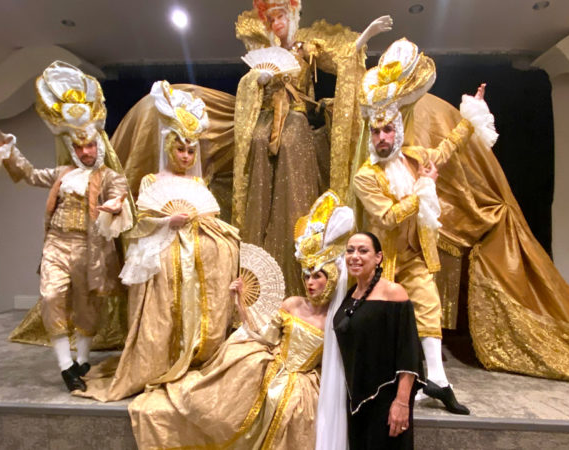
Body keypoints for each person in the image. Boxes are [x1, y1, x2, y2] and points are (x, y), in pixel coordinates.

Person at [128, 190, 353, 449]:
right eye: (306, 277)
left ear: (332, 277)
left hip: (301, 385)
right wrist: (240, 303)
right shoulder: (292, 304)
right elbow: (263, 335)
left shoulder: (337, 320)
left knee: (287, 406)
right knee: (216, 405)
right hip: (268, 365)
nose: (310, 283)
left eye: (317, 276)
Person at [351, 38, 499, 414]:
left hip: (416, 254)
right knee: (388, 328)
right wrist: (424, 189)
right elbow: (385, 216)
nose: (382, 138)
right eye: (376, 132)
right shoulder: (365, 177)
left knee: (429, 307)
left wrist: (471, 118)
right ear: (370, 135)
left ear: (398, 130)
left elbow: (446, 150)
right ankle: (390, 385)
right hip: (383, 265)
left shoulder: (414, 157)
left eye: (388, 131)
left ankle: (438, 380)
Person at [75, 81, 241, 401]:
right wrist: (169, 221)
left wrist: (209, 232)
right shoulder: (153, 181)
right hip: (164, 252)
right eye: (180, 149)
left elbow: (210, 217)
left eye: (191, 149)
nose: (186, 155)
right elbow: (140, 225)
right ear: (169, 148)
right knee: (163, 282)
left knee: (222, 252)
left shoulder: (198, 182)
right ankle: (164, 355)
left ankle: (198, 351)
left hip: (196, 256)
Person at [0, 61, 133, 392]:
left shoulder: (109, 176)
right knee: (51, 296)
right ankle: (66, 367)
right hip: (57, 244)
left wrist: (116, 205)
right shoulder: (63, 174)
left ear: (97, 144)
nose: (85, 151)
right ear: (72, 146)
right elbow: (31, 175)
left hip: (90, 248)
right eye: (79, 146)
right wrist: (9, 154)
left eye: (90, 145)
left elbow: (120, 194)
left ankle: (82, 360)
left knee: (86, 306)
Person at [233, 0, 392, 296]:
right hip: (266, 121)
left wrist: (365, 38)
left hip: (294, 119)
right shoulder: (261, 50)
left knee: (293, 162)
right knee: (255, 144)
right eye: (271, 18)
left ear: (292, 15)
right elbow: (247, 83)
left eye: (281, 16)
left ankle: (300, 278)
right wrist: (258, 78)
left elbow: (344, 55)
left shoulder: (307, 46)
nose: (276, 23)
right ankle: (255, 280)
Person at [333, 231, 424, 449]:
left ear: (378, 257)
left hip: (386, 400)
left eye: (363, 251)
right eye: (350, 250)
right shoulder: (351, 294)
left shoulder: (394, 293)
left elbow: (408, 353)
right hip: (356, 399)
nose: (355, 256)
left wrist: (401, 403)